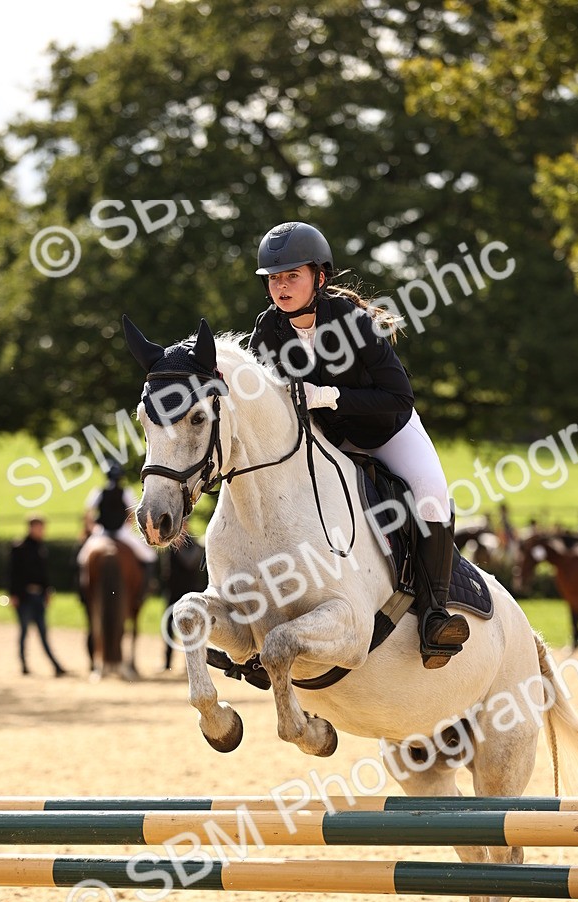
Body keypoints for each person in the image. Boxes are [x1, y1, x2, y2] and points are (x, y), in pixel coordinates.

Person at [249, 220, 469, 669]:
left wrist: (327, 396)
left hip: (386, 431)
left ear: (320, 278)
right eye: (275, 278)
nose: (282, 286)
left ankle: (434, 614)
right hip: (327, 442)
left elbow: (398, 396)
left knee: (430, 496)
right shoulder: (268, 329)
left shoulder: (353, 322)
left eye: (293, 276)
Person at [78, 462, 158, 585]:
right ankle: (148, 584)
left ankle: (81, 587)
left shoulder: (99, 492)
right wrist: (127, 527)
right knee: (149, 556)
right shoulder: (126, 492)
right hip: (121, 532)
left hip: (102, 532)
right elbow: (132, 514)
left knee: (82, 558)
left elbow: (88, 513)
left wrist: (92, 528)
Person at [8, 516, 67, 676]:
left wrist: (47, 591)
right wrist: (14, 595)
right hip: (24, 597)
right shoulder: (19, 547)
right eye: (39, 528)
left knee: (42, 632)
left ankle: (55, 666)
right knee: (24, 631)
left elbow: (43, 574)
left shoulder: (41, 548)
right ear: (31, 528)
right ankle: (24, 665)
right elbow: (13, 573)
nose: (42, 531)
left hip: (38, 597)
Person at [160, 520, 208, 670]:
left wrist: (180, 547)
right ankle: (167, 663)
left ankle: (190, 665)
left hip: (190, 591)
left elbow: (189, 562)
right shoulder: (171, 544)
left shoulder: (195, 544)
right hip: (173, 591)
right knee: (168, 628)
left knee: (192, 630)